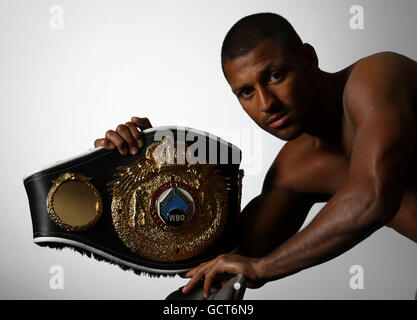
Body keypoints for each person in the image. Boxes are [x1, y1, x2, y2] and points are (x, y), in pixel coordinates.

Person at [94, 12, 417, 298]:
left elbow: (373, 197)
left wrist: (264, 269)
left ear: (308, 58)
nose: (266, 103)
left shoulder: (376, 77)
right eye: (246, 92)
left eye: (275, 76)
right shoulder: (297, 168)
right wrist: (152, 170)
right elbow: (223, 260)